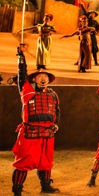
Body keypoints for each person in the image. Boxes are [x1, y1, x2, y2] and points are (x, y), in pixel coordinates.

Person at [11, 43, 60, 196]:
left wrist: (56, 124)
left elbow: (57, 111)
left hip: (48, 133)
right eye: (40, 76)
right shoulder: (27, 91)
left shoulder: (52, 95)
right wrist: (21, 56)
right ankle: (17, 190)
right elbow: (21, 74)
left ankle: (45, 186)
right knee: (23, 162)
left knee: (46, 161)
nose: (43, 78)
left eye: (45, 76)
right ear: (35, 79)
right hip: (30, 132)